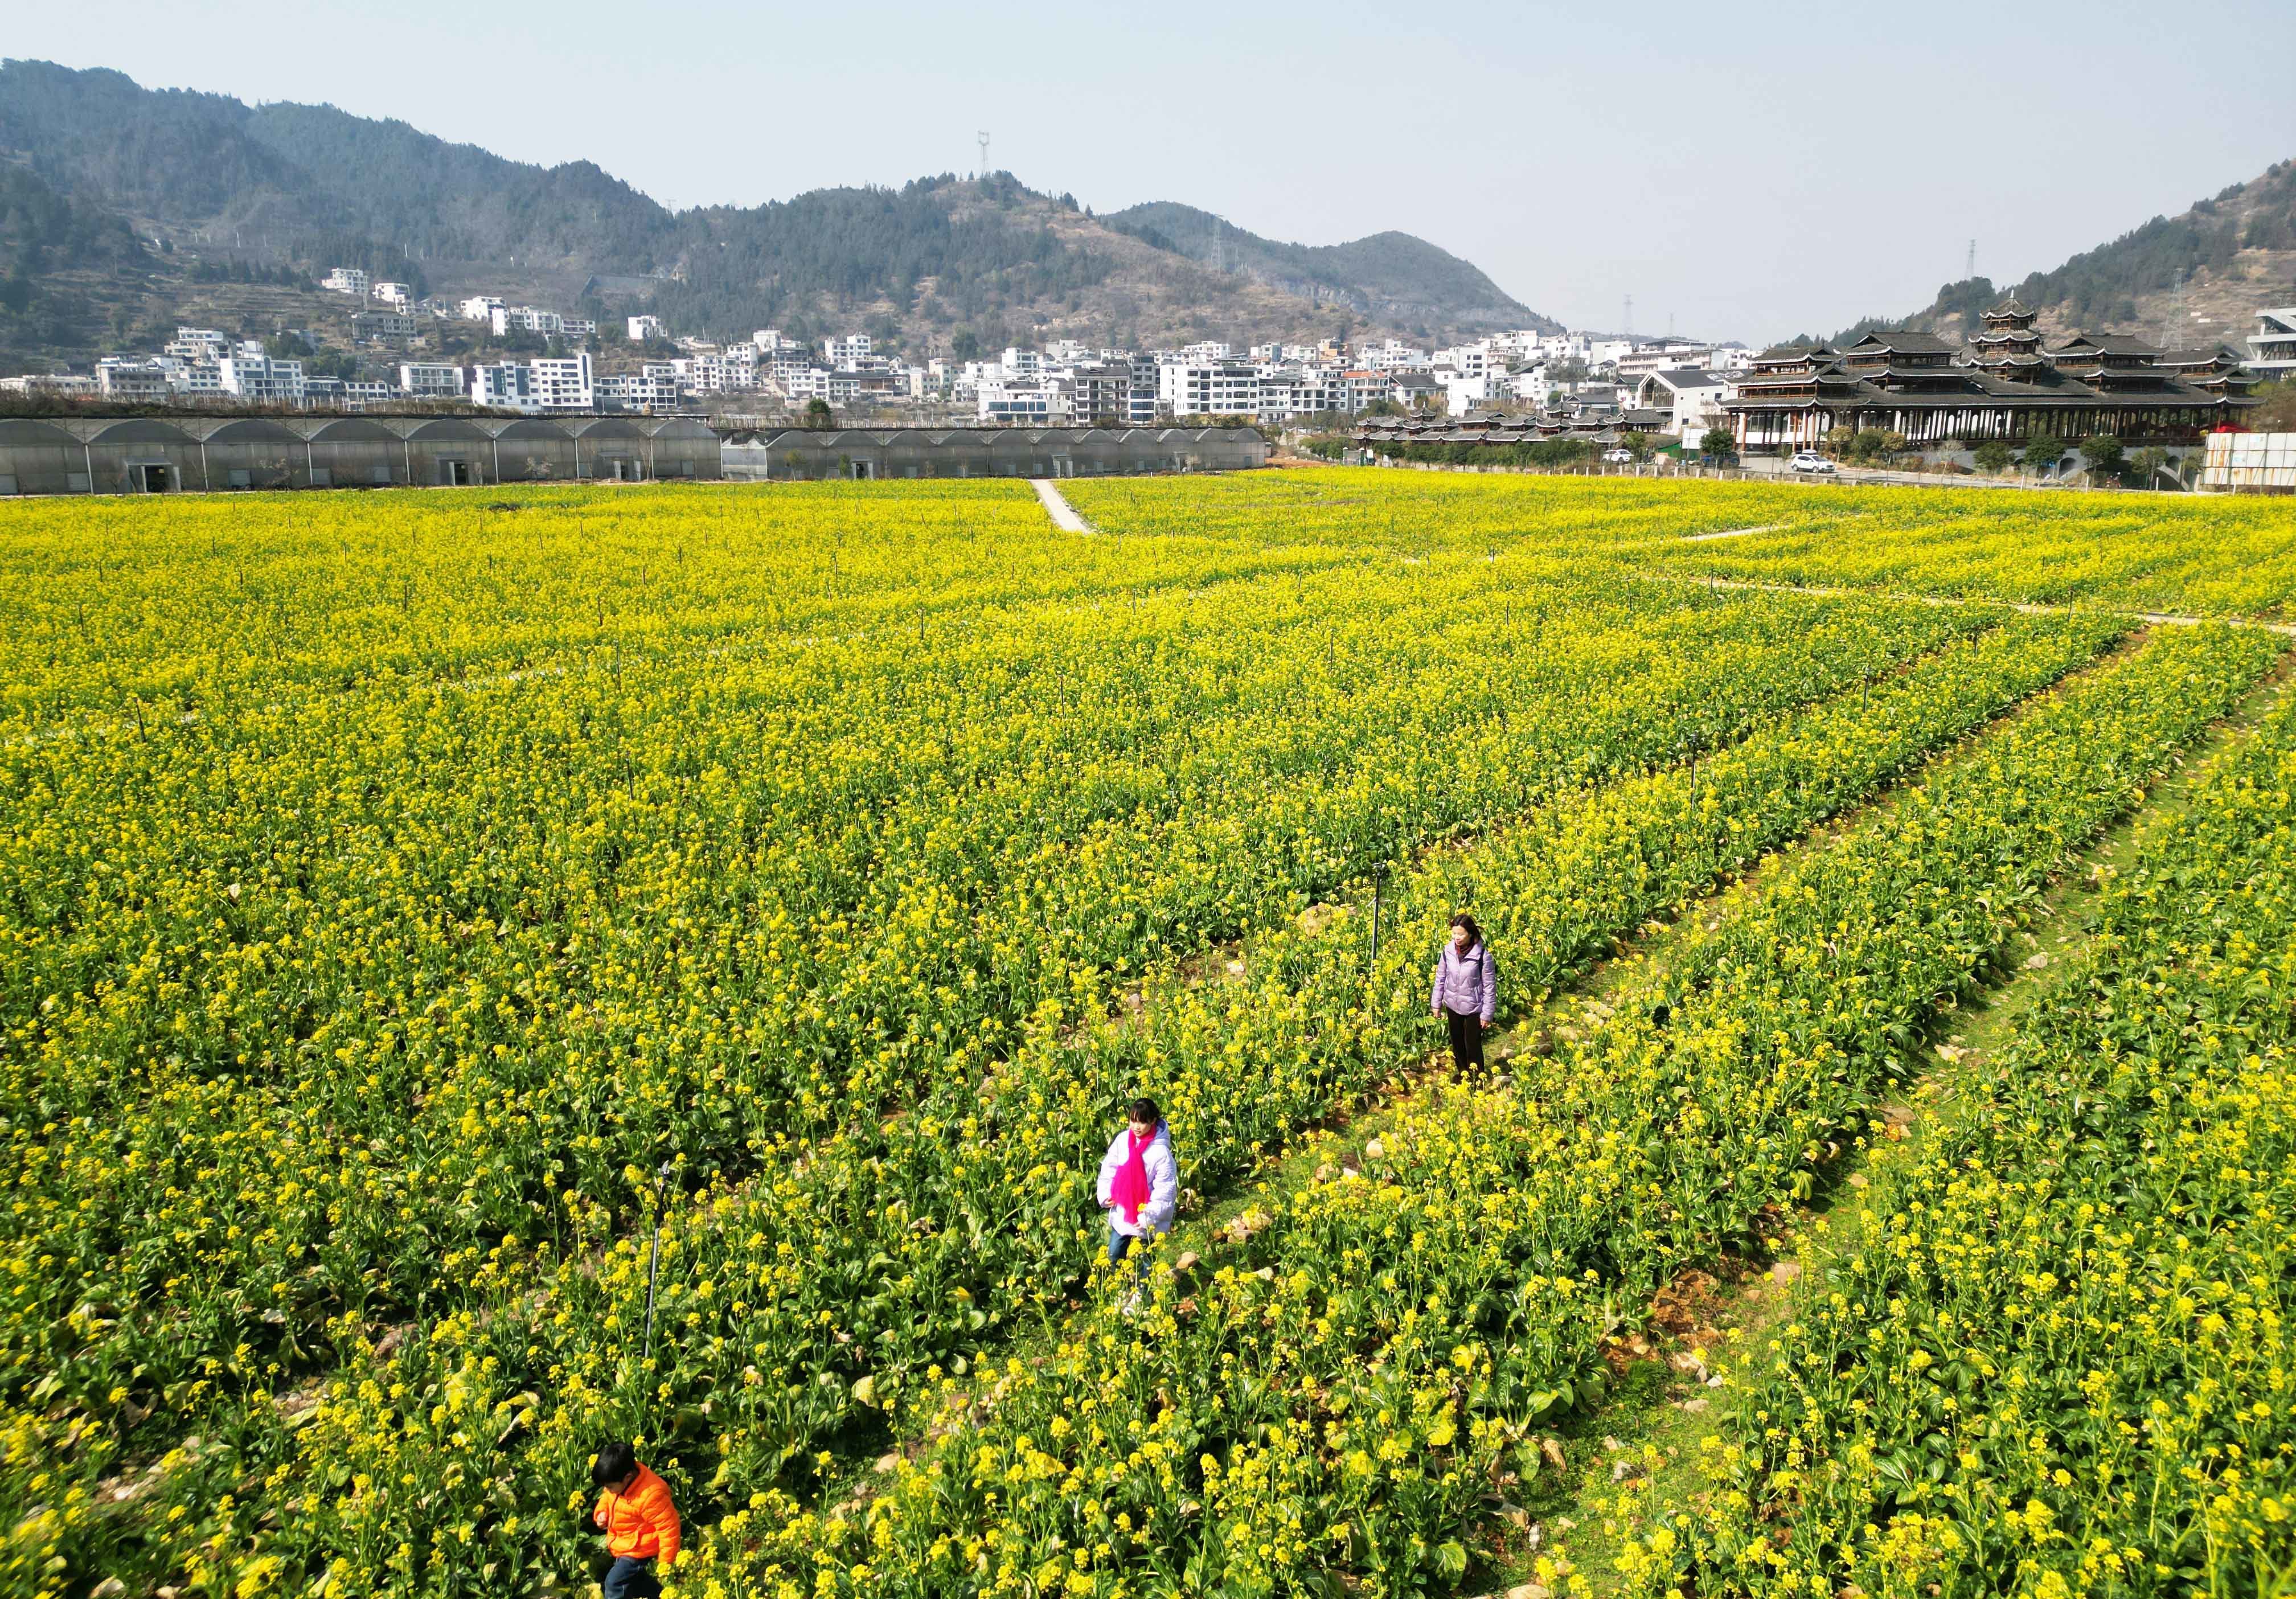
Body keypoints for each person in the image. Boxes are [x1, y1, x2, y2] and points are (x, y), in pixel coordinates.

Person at [1096, 1096, 1178, 1277]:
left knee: (1146, 1262)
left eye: (1142, 1122)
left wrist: (1148, 1217)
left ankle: (1142, 1297)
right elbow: (1109, 1169)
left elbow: (1165, 1191)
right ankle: (1120, 1288)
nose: (1137, 1127)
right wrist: (1104, 1194)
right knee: (1114, 1254)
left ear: (1153, 1121)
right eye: (1133, 1121)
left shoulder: (1161, 1153)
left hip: (1147, 1219)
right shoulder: (1123, 1140)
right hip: (1123, 1212)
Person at [591, 1440, 680, 1599]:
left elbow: (669, 1527)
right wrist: (601, 1513)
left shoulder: (651, 1495)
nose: (608, 1490)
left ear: (628, 1477)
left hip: (639, 1548)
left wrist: (666, 1562)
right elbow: (607, 1497)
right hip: (624, 1542)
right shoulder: (618, 1481)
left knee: (614, 1583)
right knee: (637, 1581)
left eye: (610, 1486)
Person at [1431, 912, 1496, 1071]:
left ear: (1471, 933)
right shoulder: (1448, 952)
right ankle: (1463, 1076)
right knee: (1457, 1044)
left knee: (1472, 1047)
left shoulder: (1482, 956)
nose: (1457, 938)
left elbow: (1489, 987)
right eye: (1454, 933)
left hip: (1474, 1008)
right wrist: (1436, 1003)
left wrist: (1487, 1014)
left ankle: (1477, 1080)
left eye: (1461, 934)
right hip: (1453, 1005)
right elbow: (1440, 977)